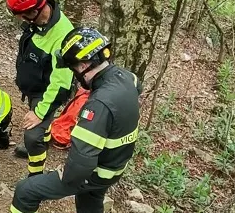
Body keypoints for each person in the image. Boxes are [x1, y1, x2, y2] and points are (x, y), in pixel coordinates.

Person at [10, 27, 141, 213]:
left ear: (82, 65)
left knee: (26, 190)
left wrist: (63, 177)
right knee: (90, 199)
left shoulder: (99, 105)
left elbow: (82, 162)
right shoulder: (129, 78)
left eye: (73, 68)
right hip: (116, 165)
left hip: (98, 172)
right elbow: (137, 90)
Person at [6, 0, 74, 177]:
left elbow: (61, 84)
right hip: (35, 84)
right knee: (36, 126)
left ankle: (35, 177)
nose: (22, 21)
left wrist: (40, 112)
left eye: (23, 17)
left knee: (33, 136)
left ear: (34, 10)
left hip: (47, 91)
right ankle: (42, 133)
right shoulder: (38, 22)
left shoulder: (62, 38)